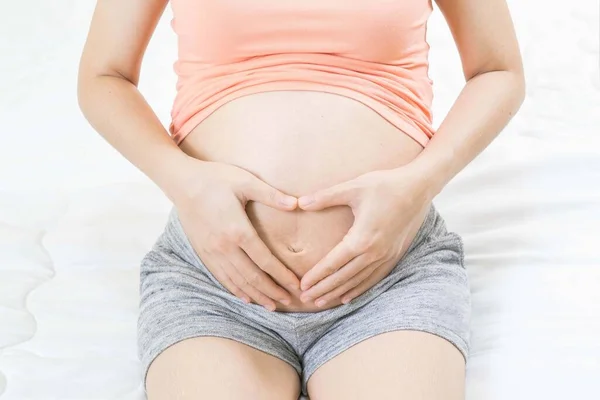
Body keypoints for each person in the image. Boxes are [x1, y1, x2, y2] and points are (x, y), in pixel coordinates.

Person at [77, 0, 524, 398]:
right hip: (213, 282)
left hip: (390, 276)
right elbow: (104, 75)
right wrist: (184, 180)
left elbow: (497, 70)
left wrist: (420, 183)